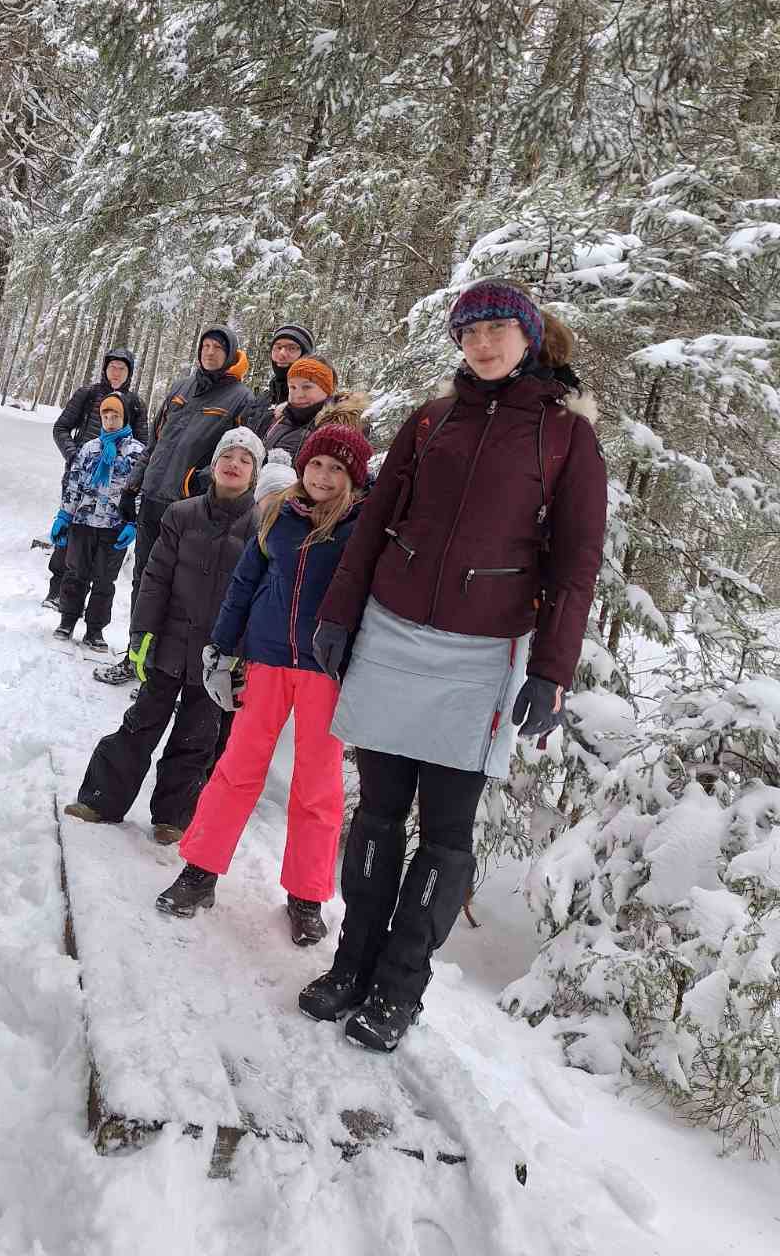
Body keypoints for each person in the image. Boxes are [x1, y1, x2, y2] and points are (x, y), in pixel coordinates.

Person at [299, 278, 606, 1053]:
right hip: (392, 632)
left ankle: (400, 988)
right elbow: (375, 521)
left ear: (529, 336)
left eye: (497, 328)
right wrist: (340, 611)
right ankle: (351, 965)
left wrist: (552, 670)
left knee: (444, 833)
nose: (482, 343)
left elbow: (575, 565)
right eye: (469, 332)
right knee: (376, 813)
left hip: (482, 654)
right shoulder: (432, 419)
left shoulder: (567, 436)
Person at [155, 418, 374, 944]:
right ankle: (200, 872)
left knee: (318, 787)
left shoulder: (361, 530)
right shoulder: (277, 515)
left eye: (336, 468)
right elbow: (243, 583)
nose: (322, 476)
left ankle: (306, 895)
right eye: (315, 463)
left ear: (353, 478)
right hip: (266, 660)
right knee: (236, 769)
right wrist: (221, 647)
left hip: (325, 672)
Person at [64, 427, 265, 841]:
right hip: (169, 644)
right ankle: (101, 799)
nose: (234, 464)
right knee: (140, 724)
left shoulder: (262, 527)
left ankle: (174, 817)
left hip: (219, 657)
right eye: (228, 456)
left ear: (255, 473)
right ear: (214, 464)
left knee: (197, 738)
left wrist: (243, 654)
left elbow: (260, 599)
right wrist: (142, 635)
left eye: (245, 460)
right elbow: (155, 579)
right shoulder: (181, 514)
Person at [93, 324, 255, 685]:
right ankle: (136, 658)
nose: (210, 352)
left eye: (218, 348)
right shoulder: (181, 388)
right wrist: (133, 486)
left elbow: (238, 455)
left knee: (179, 590)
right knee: (145, 582)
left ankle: (162, 672)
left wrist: (198, 485)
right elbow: (156, 442)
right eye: (205, 345)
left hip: (191, 510)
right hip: (153, 500)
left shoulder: (240, 398)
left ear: (230, 355)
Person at [46, 348, 147, 610]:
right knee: (69, 530)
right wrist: (74, 454)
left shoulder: (135, 403)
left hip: (116, 486)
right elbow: (61, 428)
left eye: (122, 369)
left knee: (102, 545)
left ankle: (88, 602)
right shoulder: (88, 394)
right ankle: (56, 590)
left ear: (129, 373)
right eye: (112, 367)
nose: (116, 373)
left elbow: (143, 446)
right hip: (81, 476)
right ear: (105, 368)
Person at [49, 393, 145, 652]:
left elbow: (140, 491)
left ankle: (95, 630)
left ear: (125, 418)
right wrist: (64, 516)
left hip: (114, 528)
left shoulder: (136, 452)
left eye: (115, 416)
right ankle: (67, 620)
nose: (110, 421)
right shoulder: (89, 448)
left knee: (104, 581)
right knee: (75, 574)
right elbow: (74, 484)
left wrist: (133, 523)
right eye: (106, 416)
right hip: (83, 523)